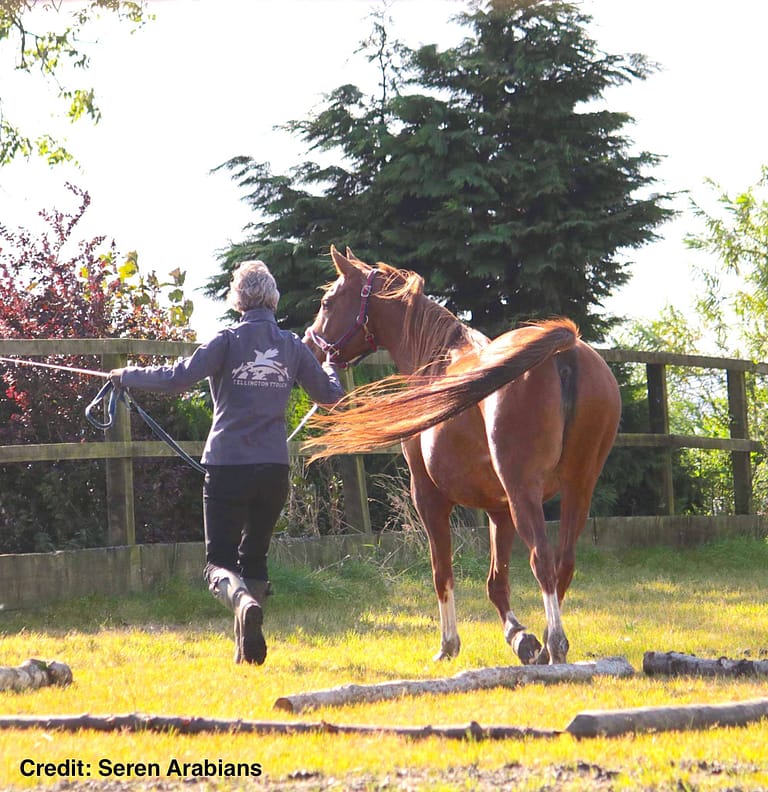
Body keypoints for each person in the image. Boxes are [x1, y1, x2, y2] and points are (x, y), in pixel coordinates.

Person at [109, 260, 344, 665]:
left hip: (227, 466)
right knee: (254, 557)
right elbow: (330, 396)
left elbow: (177, 377)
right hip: (273, 468)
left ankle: (241, 606)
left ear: (238, 299)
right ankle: (245, 652)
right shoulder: (292, 346)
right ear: (272, 298)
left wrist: (126, 376)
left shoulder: (226, 340)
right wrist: (333, 365)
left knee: (219, 563)